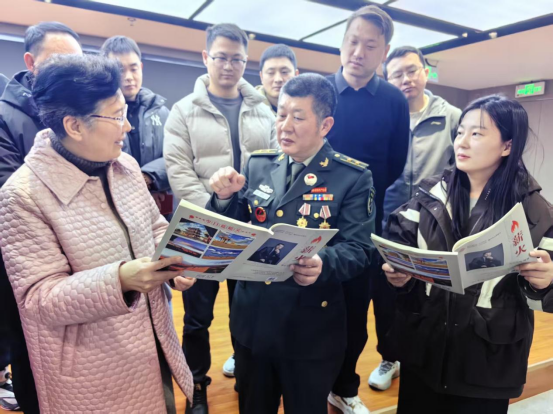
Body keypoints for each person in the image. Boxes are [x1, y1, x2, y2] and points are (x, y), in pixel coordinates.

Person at [0, 54, 197, 414]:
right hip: (92, 366)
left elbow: (154, 225)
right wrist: (120, 280)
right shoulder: (22, 196)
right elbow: (38, 299)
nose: (128, 127)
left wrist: (175, 260)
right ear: (75, 125)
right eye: (117, 116)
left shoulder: (126, 166)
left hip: (151, 342)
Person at [208, 73, 376, 414]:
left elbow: (360, 250)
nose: (285, 126)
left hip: (309, 326)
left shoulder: (352, 177)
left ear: (325, 125)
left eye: (298, 117)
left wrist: (323, 263)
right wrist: (224, 198)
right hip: (253, 320)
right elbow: (237, 228)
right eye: (281, 114)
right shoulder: (259, 164)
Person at [383, 95, 553, 415]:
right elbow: (398, 244)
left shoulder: (535, 213)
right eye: (460, 132)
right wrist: (399, 275)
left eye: (476, 134)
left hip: (486, 363)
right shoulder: (429, 196)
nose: (462, 142)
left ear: (507, 146)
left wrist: (546, 282)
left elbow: (546, 297)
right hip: (423, 351)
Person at [164, 23, 276, 414]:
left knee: (247, 312)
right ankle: (195, 386)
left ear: (246, 61)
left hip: (251, 229)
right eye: (221, 57)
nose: (229, 66)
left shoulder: (263, 110)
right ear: (205, 57)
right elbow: (179, 173)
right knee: (197, 317)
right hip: (202, 228)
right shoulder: (183, 111)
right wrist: (219, 212)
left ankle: (248, 377)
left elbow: (275, 166)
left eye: (237, 59)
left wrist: (251, 215)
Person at [325, 6, 410, 412]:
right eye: (353, 41)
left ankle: (344, 387)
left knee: (355, 311)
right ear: (342, 43)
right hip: (315, 218)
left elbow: (393, 163)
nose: (358, 52)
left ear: (384, 52)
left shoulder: (394, 100)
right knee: (309, 305)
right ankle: (307, 383)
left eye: (370, 46)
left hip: (364, 224)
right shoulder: (320, 91)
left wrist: (360, 201)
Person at [0, 21, 83, 414]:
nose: (69, 71)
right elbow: (10, 191)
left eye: (76, 62)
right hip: (28, 261)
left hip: (83, 257)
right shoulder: (5, 115)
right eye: (58, 61)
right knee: (31, 354)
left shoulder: (82, 110)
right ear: (31, 63)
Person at [383, 46, 462, 220]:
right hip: (389, 217)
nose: (406, 80)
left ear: (426, 73)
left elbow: (463, 171)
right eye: (397, 75)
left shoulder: (451, 117)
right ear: (387, 82)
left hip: (435, 218)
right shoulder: (379, 118)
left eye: (412, 71)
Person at [101, 36, 173, 213]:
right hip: (114, 205)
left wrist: (149, 178)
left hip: (157, 203)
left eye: (133, 69)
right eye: (120, 70)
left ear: (141, 67)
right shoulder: (97, 114)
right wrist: (137, 188)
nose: (128, 77)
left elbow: (176, 156)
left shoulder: (162, 112)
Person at [256, 44, 299, 115]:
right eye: (271, 73)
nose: (278, 79)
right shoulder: (247, 106)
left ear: (296, 75)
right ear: (261, 77)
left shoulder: (308, 107)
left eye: (284, 72)